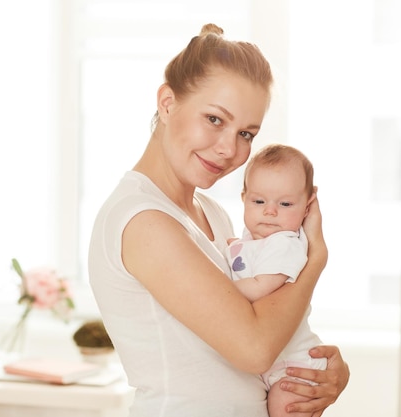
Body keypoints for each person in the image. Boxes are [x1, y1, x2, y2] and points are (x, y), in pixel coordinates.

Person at [88, 23, 349, 417]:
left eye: (246, 133)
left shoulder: (212, 214)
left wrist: (318, 374)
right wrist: (315, 260)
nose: (230, 148)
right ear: (167, 102)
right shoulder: (143, 221)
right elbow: (255, 348)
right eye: (214, 119)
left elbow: (266, 330)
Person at [225, 144, 327, 417]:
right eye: (259, 202)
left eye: (285, 204)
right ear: (244, 197)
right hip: (268, 364)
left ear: (307, 206)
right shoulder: (249, 239)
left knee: (286, 409)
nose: (270, 211)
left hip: (292, 367)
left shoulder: (286, 244)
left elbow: (261, 286)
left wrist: (219, 289)